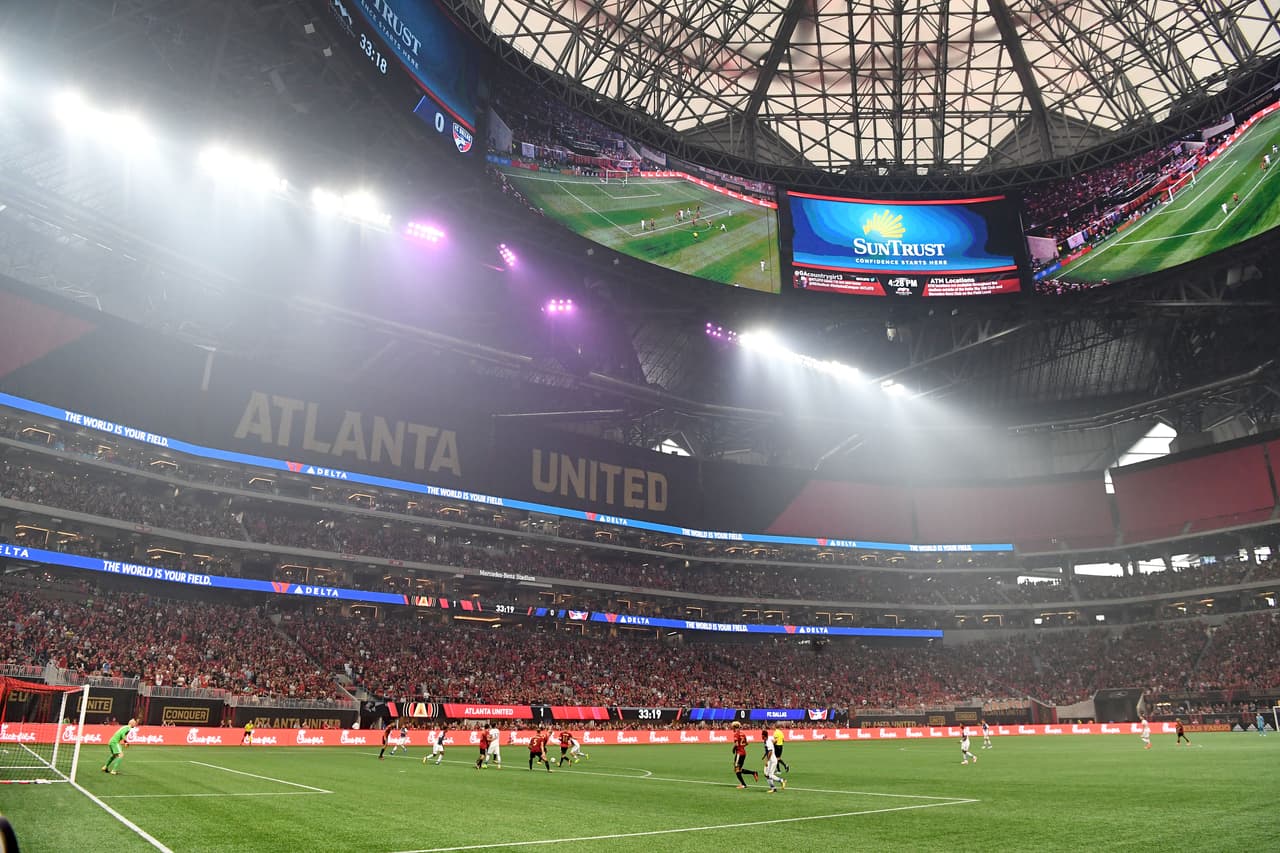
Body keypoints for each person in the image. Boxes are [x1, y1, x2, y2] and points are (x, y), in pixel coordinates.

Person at [730, 721, 758, 789]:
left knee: (736, 769)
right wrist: (741, 746)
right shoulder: (743, 734)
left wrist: (734, 749)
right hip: (743, 753)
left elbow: (736, 744)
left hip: (739, 753)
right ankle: (753, 773)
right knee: (738, 769)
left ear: (734, 727)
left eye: (732, 728)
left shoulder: (736, 734)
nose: (732, 729)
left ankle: (743, 784)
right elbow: (746, 743)